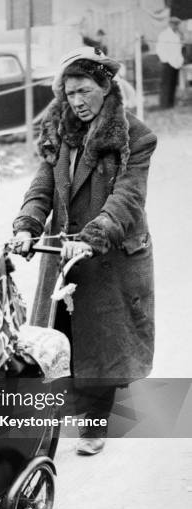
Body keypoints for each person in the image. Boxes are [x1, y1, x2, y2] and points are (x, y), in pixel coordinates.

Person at [12, 47, 157, 455]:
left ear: (105, 86)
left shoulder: (136, 136)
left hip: (109, 252)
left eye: (85, 90)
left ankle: (94, 424)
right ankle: (59, 415)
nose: (77, 101)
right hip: (65, 251)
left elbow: (127, 199)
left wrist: (94, 236)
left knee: (101, 344)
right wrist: (27, 225)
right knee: (58, 336)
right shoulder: (59, 129)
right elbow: (42, 186)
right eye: (70, 92)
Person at [156, 16, 184, 108]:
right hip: (167, 63)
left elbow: (178, 50)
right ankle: (164, 105)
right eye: (175, 24)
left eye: (177, 25)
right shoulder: (164, 35)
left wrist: (179, 61)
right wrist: (166, 60)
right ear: (171, 24)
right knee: (166, 85)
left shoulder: (176, 35)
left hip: (175, 63)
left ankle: (170, 104)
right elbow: (159, 49)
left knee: (173, 83)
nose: (176, 26)